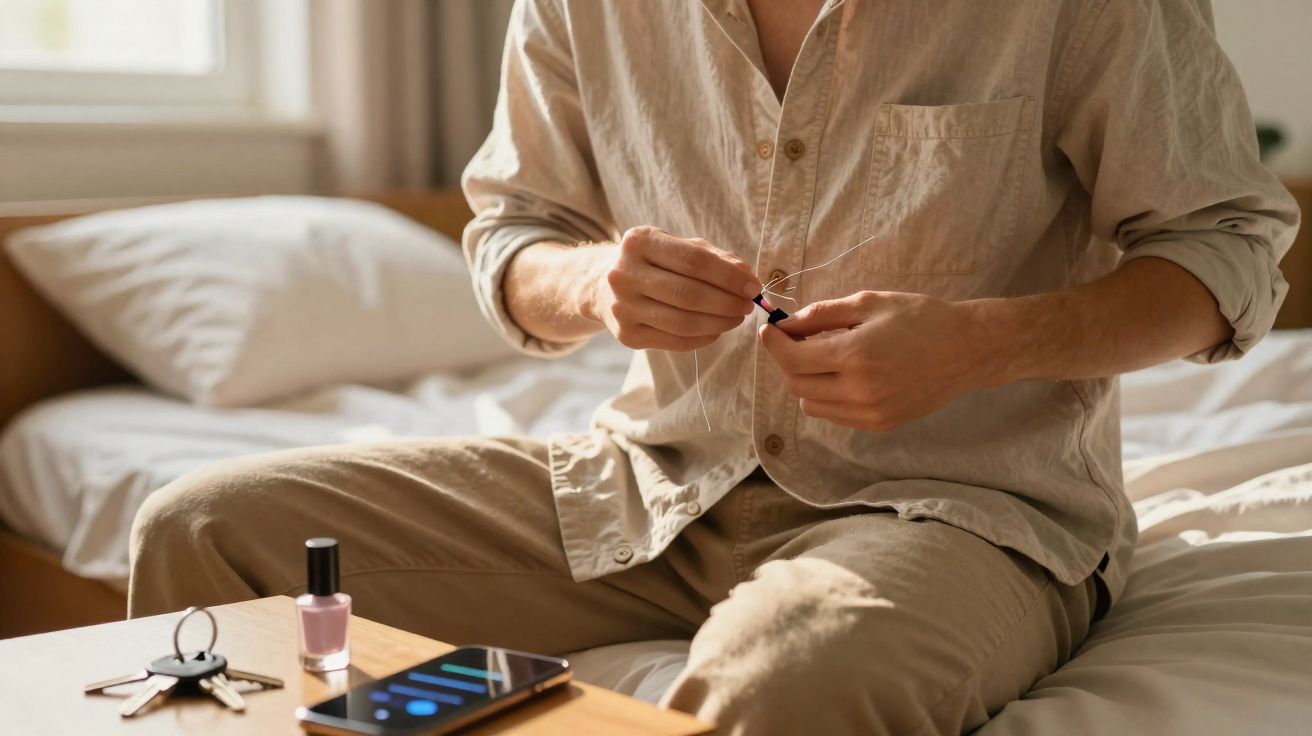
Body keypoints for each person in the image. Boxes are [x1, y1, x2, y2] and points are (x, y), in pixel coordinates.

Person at [129, 1, 1299, 733]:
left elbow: (1228, 248)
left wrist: (980, 343)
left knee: (791, 680)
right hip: (644, 482)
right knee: (204, 530)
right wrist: (593, 285)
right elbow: (510, 231)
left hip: (958, 505)